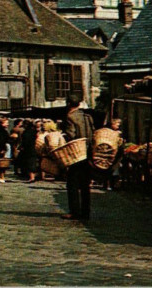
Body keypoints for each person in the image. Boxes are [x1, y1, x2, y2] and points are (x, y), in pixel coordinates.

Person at [63, 92, 94, 220]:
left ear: (68, 104)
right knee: (85, 184)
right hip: (88, 153)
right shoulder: (87, 116)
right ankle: (86, 212)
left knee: (73, 184)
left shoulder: (70, 117)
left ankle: (74, 211)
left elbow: (71, 135)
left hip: (76, 153)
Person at [0, 116, 11, 183]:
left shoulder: (3, 130)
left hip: (2, 148)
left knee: (2, 163)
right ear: (2, 123)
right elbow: (1, 141)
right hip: (0, 148)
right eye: (6, 123)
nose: (7, 124)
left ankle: (1, 176)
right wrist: (1, 149)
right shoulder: (0, 131)